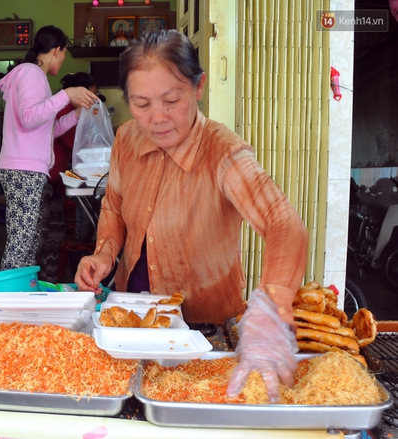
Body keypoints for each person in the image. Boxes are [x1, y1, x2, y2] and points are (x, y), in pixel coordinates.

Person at [74, 30, 309, 403]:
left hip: (207, 333)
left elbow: (284, 224)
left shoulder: (224, 151)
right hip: (131, 324)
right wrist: (104, 252)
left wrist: (272, 304)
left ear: (198, 87)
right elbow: (115, 207)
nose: (157, 118)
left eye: (171, 99)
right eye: (142, 104)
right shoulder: (126, 139)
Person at [0, 25, 98, 271]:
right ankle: (5, 299)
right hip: (23, 169)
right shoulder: (31, 73)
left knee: (29, 241)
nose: (62, 61)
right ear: (56, 50)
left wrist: (76, 112)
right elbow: (30, 116)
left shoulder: (34, 76)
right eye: (64, 54)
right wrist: (65, 95)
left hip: (25, 168)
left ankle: (22, 294)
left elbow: (47, 129)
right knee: (21, 242)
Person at [37, 72, 104, 282]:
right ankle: (36, 283)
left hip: (55, 182)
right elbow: (73, 141)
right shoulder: (64, 110)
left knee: (55, 235)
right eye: (90, 94)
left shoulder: (74, 110)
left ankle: (49, 282)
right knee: (41, 236)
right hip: (44, 179)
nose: (92, 99)